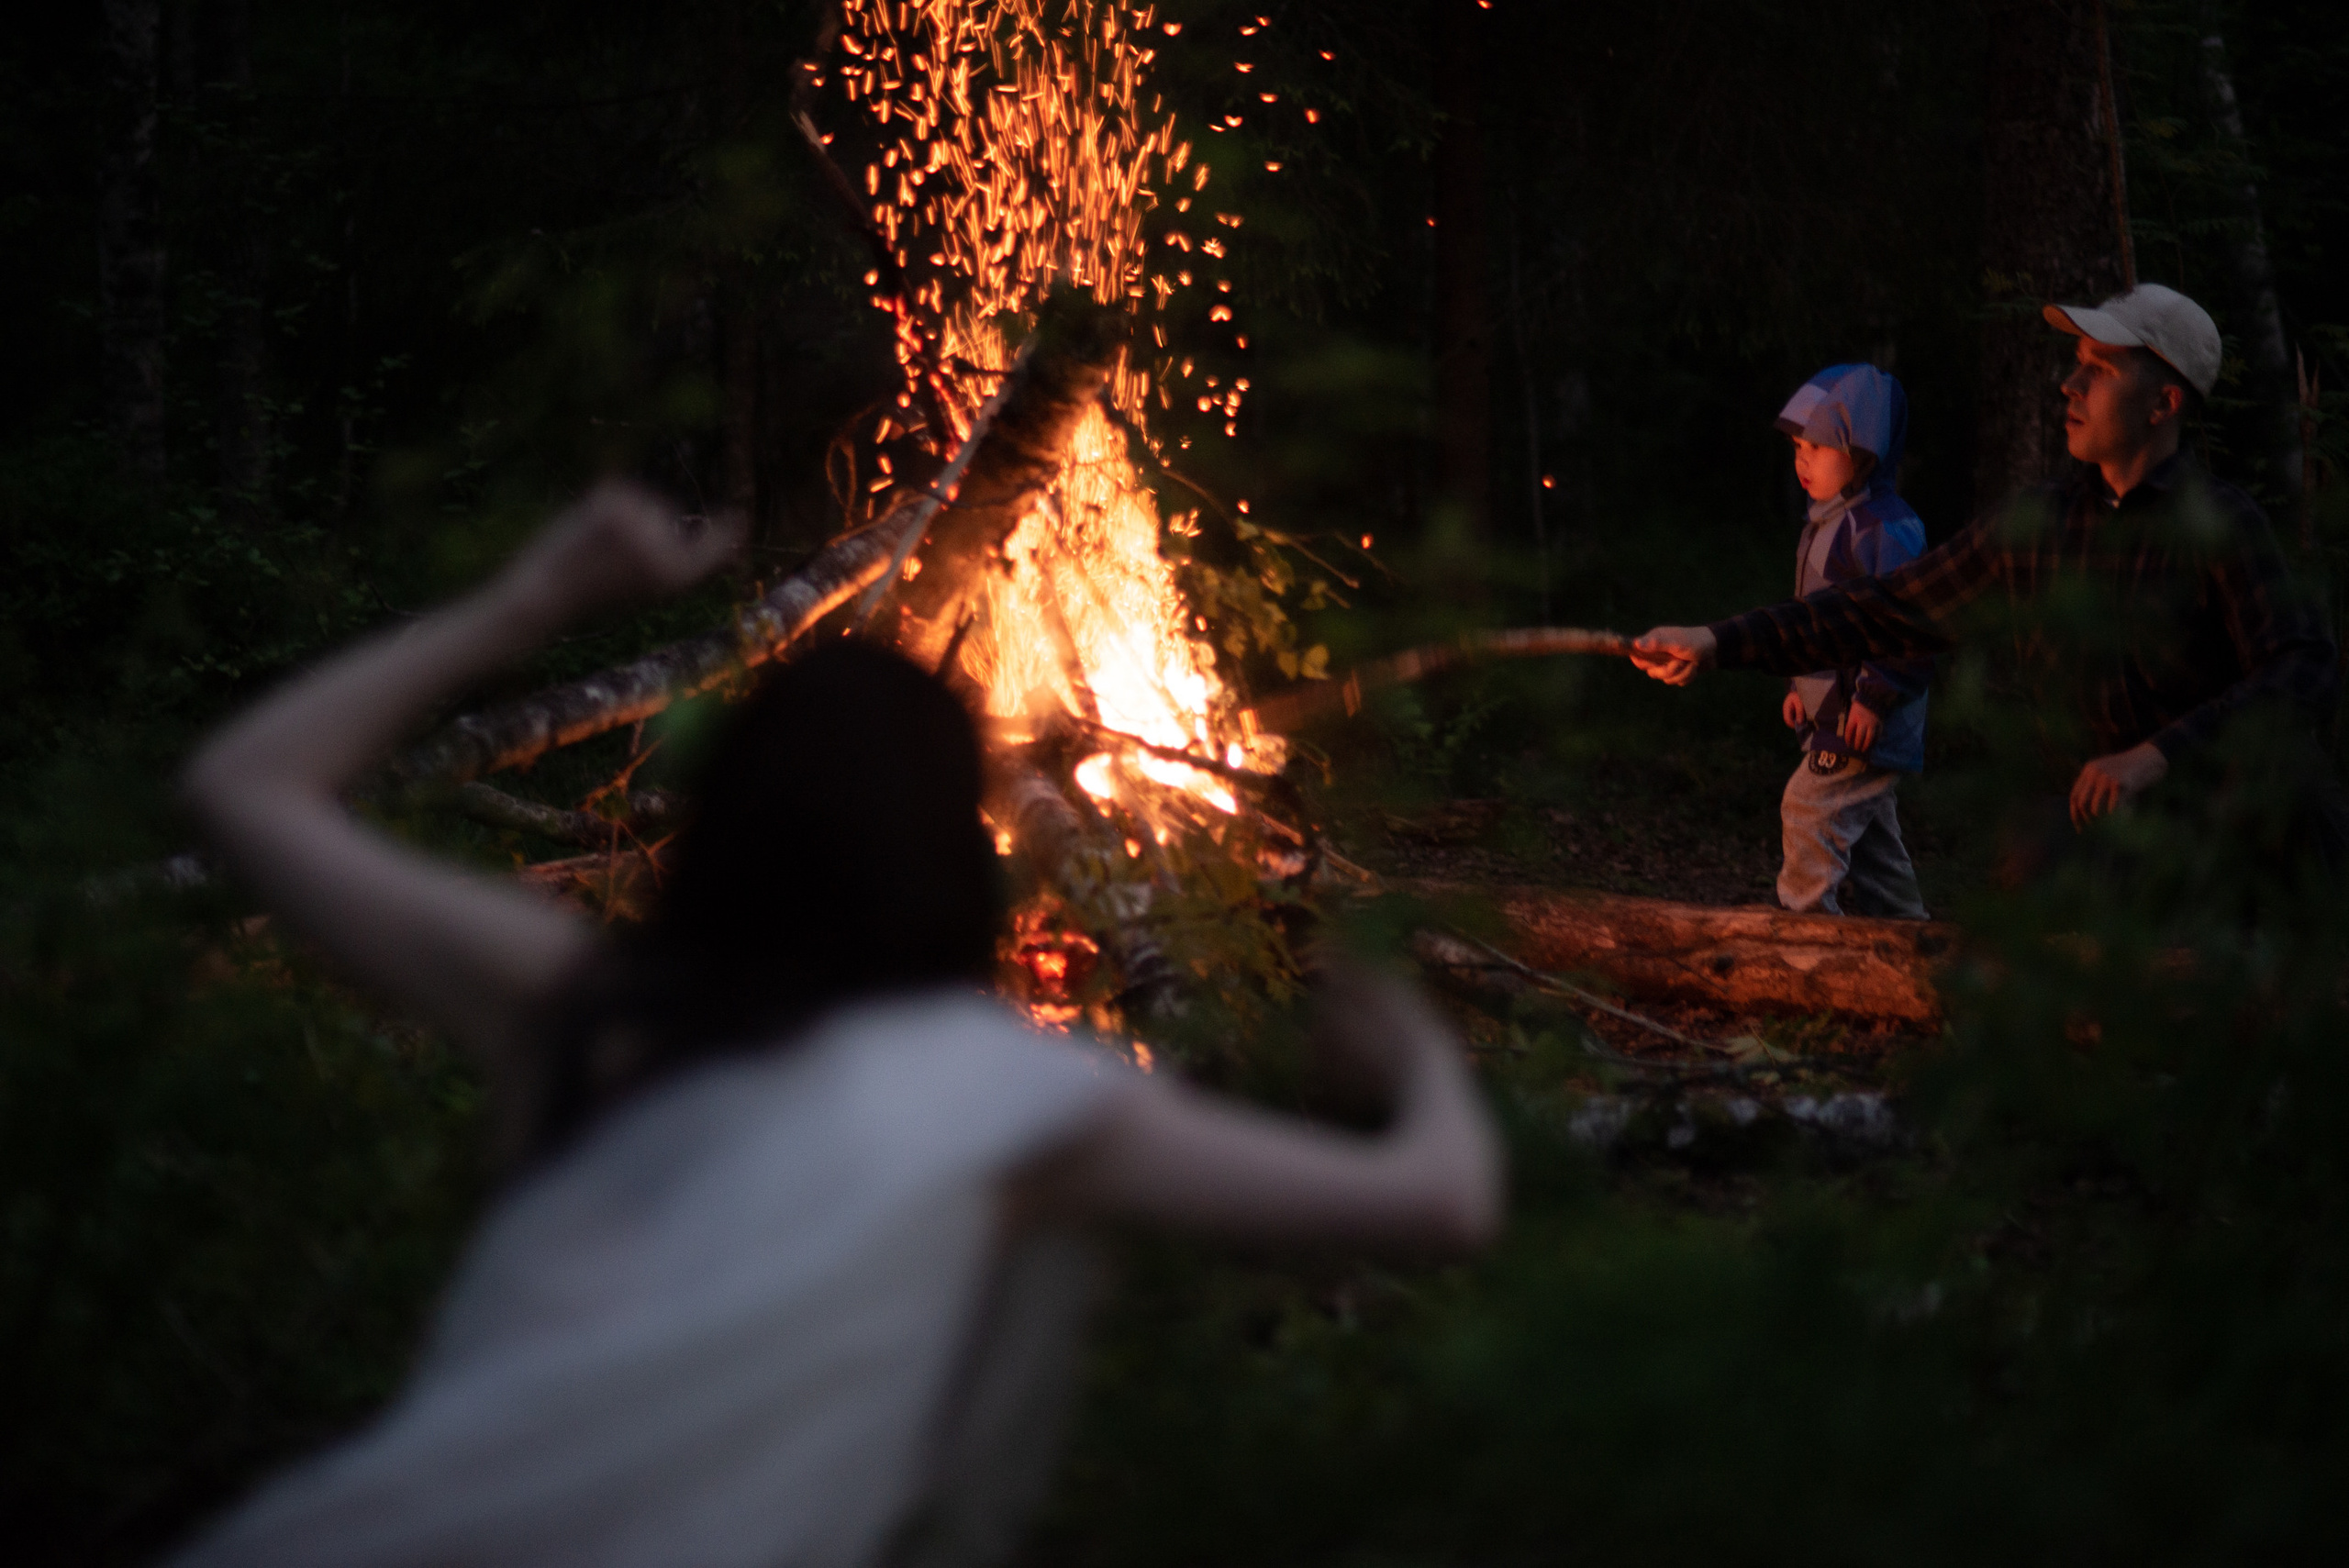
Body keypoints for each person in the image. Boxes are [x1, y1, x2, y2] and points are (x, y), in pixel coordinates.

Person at [168, 482, 1502, 1568]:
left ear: (723, 827)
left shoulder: (582, 1002)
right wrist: (1415, 1056)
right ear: (957, 866)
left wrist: (533, 599)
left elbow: (244, 786)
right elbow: (1441, 1205)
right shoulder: (1019, 1100)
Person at [1631, 284, 2339, 881]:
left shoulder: (2219, 524)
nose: (2071, 384)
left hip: (2209, 837)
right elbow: (1883, 611)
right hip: (2086, 843)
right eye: (2076, 363)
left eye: (2102, 370)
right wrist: (1719, 640)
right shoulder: (2037, 528)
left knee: (2302, 806)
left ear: (2164, 405)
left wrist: (2157, 756)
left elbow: (2302, 667)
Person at [1766, 363, 1932, 917]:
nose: (1802, 459)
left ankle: (1806, 936)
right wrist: (1801, 686)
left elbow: (1909, 623)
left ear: (1864, 454)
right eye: (1798, 446)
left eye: (1818, 446)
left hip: (1865, 720)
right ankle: (1911, 942)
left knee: (1809, 808)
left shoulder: (1886, 529)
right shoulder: (1823, 524)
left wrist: (1874, 695)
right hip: (1832, 716)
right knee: (1875, 850)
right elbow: (1815, 621)